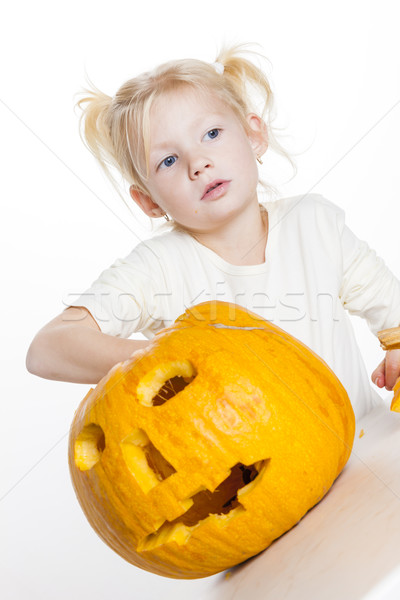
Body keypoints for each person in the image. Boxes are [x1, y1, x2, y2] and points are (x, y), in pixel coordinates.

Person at [26, 45, 400, 421]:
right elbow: (47, 350)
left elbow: (392, 308)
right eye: (168, 161)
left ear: (254, 134)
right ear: (148, 201)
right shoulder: (159, 268)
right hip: (249, 473)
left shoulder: (316, 224)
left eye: (212, 133)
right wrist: (174, 359)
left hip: (365, 451)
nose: (197, 163)